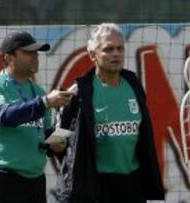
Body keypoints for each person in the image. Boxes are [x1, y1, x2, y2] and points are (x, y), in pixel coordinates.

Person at [55, 23, 165, 203]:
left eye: (120, 48)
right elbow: (59, 136)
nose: (116, 54)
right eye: (108, 49)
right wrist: (58, 144)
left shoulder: (134, 86)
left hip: (132, 183)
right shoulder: (79, 93)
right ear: (93, 55)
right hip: (96, 186)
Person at [0, 31, 71, 203]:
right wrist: (45, 103)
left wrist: (59, 141)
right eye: (29, 52)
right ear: (9, 58)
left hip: (35, 180)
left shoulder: (39, 92)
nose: (35, 56)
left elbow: (46, 136)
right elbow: (3, 115)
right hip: (3, 177)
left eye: (37, 52)